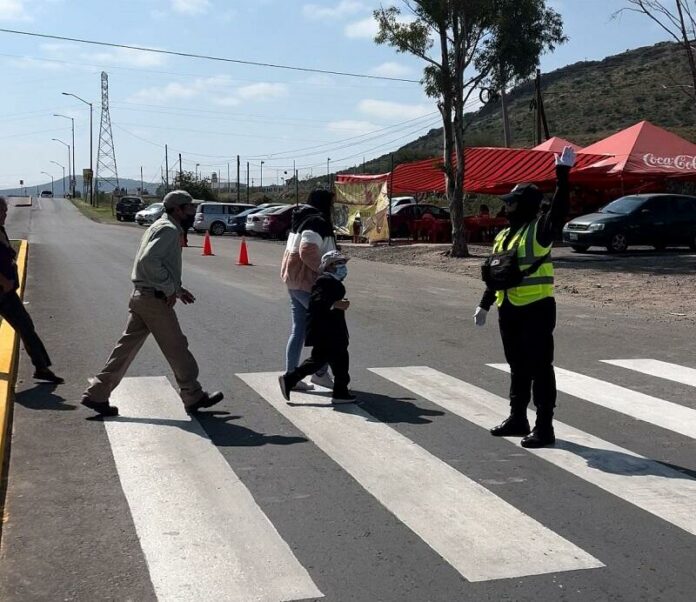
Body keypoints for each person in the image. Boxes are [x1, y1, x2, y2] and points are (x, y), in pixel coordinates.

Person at [82, 190, 223, 416]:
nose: (192, 211)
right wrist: (169, 289)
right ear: (177, 209)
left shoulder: (159, 225)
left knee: (125, 349)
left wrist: (177, 289)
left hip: (142, 296)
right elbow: (149, 260)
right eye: (189, 207)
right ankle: (193, 395)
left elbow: (155, 263)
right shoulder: (168, 230)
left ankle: (97, 394)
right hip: (154, 300)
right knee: (177, 348)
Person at [473, 146, 576, 448]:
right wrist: (484, 304)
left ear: (525, 205)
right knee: (517, 366)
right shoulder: (504, 235)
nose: (507, 208)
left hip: (536, 309)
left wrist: (562, 175)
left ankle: (545, 427)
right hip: (509, 309)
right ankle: (518, 417)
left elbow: (558, 211)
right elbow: (497, 273)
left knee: (541, 366)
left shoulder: (538, 229)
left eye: (513, 203)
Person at [0, 197, 63, 384]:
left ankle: (41, 367)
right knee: (25, 326)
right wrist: (4, 280)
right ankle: (41, 366)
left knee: (26, 327)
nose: (5, 215)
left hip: (6, 294)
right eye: (2, 212)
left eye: (5, 212)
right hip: (3, 290)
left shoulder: (1, 230)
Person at [278, 251, 354, 403]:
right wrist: (335, 304)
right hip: (326, 331)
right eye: (338, 263)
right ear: (328, 266)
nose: (342, 267)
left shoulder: (332, 281)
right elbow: (316, 303)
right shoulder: (324, 281)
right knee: (320, 360)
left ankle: (340, 393)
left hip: (332, 331)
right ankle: (290, 378)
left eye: (343, 263)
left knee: (339, 361)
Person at [280, 189, 337, 391]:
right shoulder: (316, 221)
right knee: (331, 329)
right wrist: (325, 268)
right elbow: (306, 251)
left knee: (299, 329)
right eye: (331, 203)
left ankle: (291, 374)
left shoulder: (302, 217)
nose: (333, 207)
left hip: (293, 280)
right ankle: (319, 373)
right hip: (307, 282)